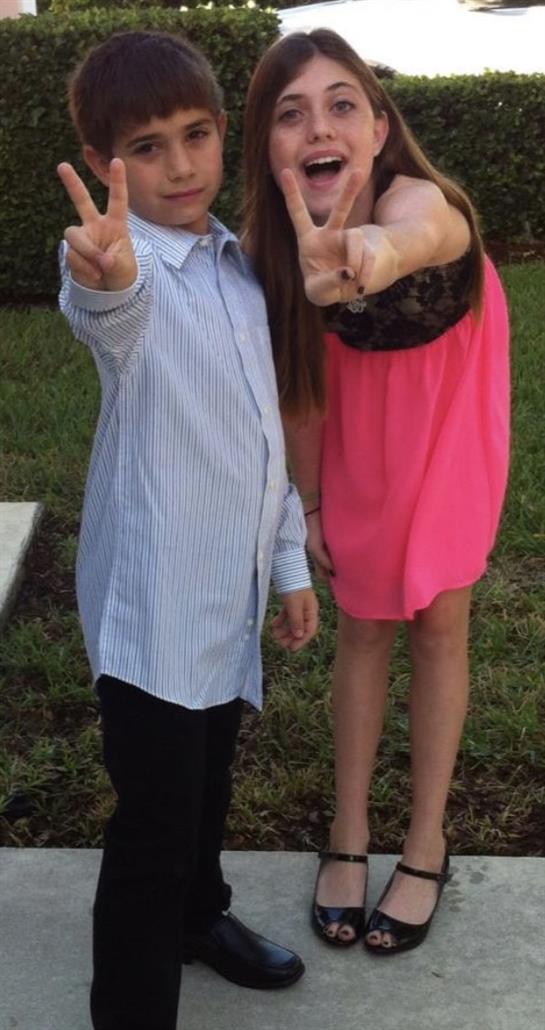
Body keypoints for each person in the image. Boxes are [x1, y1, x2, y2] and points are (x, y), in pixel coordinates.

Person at [57, 30, 318, 1030]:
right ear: (103, 165)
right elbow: (107, 314)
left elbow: (262, 436)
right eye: (146, 147)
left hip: (224, 596)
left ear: (220, 132)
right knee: (153, 825)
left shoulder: (237, 269)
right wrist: (104, 274)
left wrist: (287, 563)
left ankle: (197, 916)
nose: (178, 165)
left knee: (209, 780)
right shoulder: (126, 264)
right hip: (155, 612)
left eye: (195, 135)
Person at [243, 28, 509, 955]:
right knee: (362, 627)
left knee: (439, 623)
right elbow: (301, 391)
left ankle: (426, 840)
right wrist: (310, 505)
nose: (319, 126)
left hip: (446, 429)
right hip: (357, 440)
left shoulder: (412, 200)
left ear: (379, 127)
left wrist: (374, 255)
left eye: (341, 105)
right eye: (291, 113)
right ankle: (348, 831)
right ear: (268, 146)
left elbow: (426, 233)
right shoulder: (270, 247)